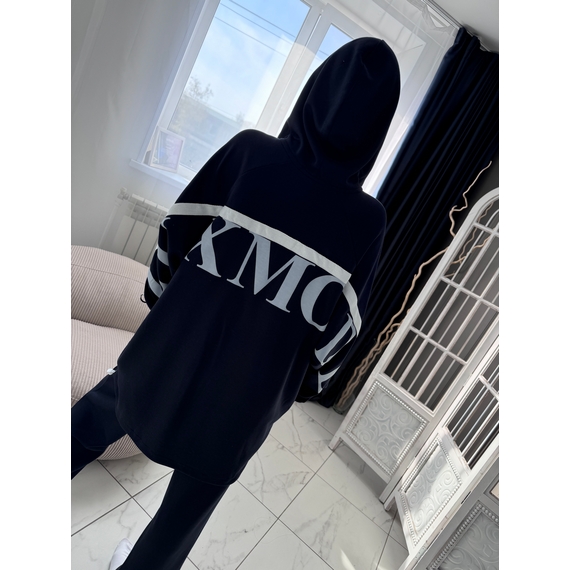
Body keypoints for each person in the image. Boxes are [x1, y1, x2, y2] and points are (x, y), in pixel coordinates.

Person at [71, 36, 401, 570]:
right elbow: (341, 332)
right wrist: (300, 385)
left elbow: (175, 233)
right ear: (378, 129)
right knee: (182, 518)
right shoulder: (367, 221)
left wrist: (162, 310)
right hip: (247, 396)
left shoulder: (250, 153)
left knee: (87, 423)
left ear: (314, 91)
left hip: (169, 351)